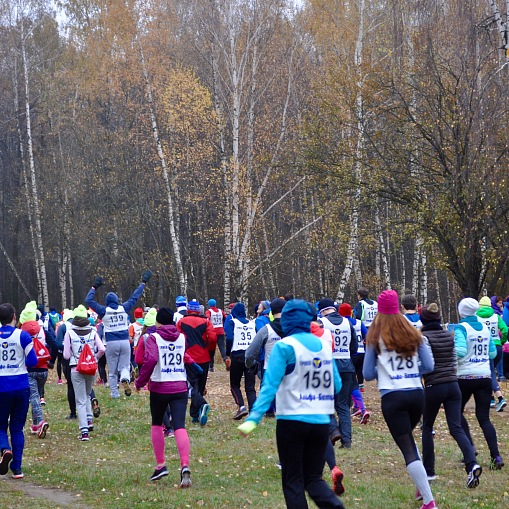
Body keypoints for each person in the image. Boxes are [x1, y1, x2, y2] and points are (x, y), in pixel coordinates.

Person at [238, 299, 344, 509]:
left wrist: (253, 419)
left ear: (286, 320)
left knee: (293, 481)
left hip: (292, 421)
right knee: (314, 479)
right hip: (321, 422)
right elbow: (337, 385)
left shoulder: (284, 346)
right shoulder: (323, 345)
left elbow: (269, 387)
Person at [363, 290, 437, 509]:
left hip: (392, 397)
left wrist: (385, 369)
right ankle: (421, 482)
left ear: (379, 310)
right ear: (399, 307)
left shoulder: (375, 336)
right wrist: (413, 370)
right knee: (409, 440)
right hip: (416, 395)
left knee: (407, 449)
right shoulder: (414, 333)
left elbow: (367, 374)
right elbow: (429, 366)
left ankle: (429, 501)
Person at [135, 307, 203, 486]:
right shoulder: (182, 337)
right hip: (180, 386)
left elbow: (150, 360)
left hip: (159, 386)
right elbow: (181, 355)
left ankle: (161, 465)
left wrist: (140, 382)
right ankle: (185, 464)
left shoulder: (153, 338)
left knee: (157, 423)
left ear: (157, 321)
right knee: (180, 426)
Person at [420, 303, 482, 488]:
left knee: (427, 428)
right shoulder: (449, 335)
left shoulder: (424, 338)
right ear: (439, 319)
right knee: (456, 428)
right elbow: (455, 359)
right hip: (453, 386)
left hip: (434, 386)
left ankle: (429, 471)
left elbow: (428, 364)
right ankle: (472, 464)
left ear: (423, 320)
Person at [455, 298, 504, 471]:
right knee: (484, 418)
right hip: (484, 377)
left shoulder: (461, 327)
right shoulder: (484, 327)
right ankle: (495, 456)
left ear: (461, 311)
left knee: (456, 412)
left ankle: (469, 448)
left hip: (465, 377)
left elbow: (460, 351)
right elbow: (491, 353)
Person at [86, 271, 151, 398]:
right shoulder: (124, 308)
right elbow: (135, 296)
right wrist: (143, 282)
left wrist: (94, 287)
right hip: (125, 341)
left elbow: (88, 300)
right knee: (125, 366)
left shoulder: (104, 311)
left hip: (111, 342)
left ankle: (115, 394)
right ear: (116, 300)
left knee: (112, 370)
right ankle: (125, 378)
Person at [0, 303, 37, 479]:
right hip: (21, 385)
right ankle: (17, 468)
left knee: (0, 425)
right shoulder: (23, 335)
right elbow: (33, 361)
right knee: (17, 428)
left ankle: (5, 449)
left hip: (1, 386)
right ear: (15, 317)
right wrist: (21, 365)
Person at [318, 298, 357, 448]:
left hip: (329, 365)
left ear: (322, 310)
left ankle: (333, 430)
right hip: (346, 365)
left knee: (325, 401)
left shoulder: (322, 322)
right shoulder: (348, 322)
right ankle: (346, 441)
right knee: (343, 405)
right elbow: (353, 346)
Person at [63, 306, 106, 441]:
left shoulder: (69, 333)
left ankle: (84, 432)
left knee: (80, 400)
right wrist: (95, 357)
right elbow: (102, 348)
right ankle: (89, 420)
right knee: (87, 394)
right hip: (91, 368)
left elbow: (66, 355)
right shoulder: (93, 332)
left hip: (76, 368)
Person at [177, 299, 216, 425]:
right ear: (199, 310)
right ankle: (195, 413)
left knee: (192, 385)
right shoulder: (206, 322)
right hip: (203, 357)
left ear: (188, 310)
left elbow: (177, 338)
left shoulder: (181, 322)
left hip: (188, 358)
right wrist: (210, 352)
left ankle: (198, 409)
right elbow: (213, 338)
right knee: (200, 385)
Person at [245, 298, 286, 418]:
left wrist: (250, 364)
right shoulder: (293, 329)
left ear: (271, 312)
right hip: (290, 368)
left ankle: (269, 411)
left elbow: (250, 352)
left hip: (270, 368)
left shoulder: (266, 329)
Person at [338, 303, 369, 424]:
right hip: (361, 353)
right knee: (353, 381)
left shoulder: (342, 323)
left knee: (350, 382)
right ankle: (357, 406)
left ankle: (360, 407)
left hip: (350, 354)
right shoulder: (358, 322)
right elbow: (367, 333)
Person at [225, 302, 257, 420]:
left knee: (234, 384)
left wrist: (228, 352)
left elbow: (229, 338)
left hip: (237, 354)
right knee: (250, 386)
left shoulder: (232, 322)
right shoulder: (253, 323)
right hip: (250, 356)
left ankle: (241, 406)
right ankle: (254, 411)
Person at [476, 296, 507, 411]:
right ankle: (491, 398)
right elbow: (505, 330)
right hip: (498, 347)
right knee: (490, 371)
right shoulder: (496, 316)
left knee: (491, 374)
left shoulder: (477, 318)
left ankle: (500, 399)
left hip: (486, 348)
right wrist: (502, 340)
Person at [205, 299, 229, 372]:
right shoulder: (220, 311)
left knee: (211, 348)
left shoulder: (208, 311)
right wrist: (224, 327)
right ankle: (226, 359)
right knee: (221, 347)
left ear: (209, 304)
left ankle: (211, 366)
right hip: (221, 331)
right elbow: (226, 319)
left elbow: (207, 319)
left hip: (212, 332)